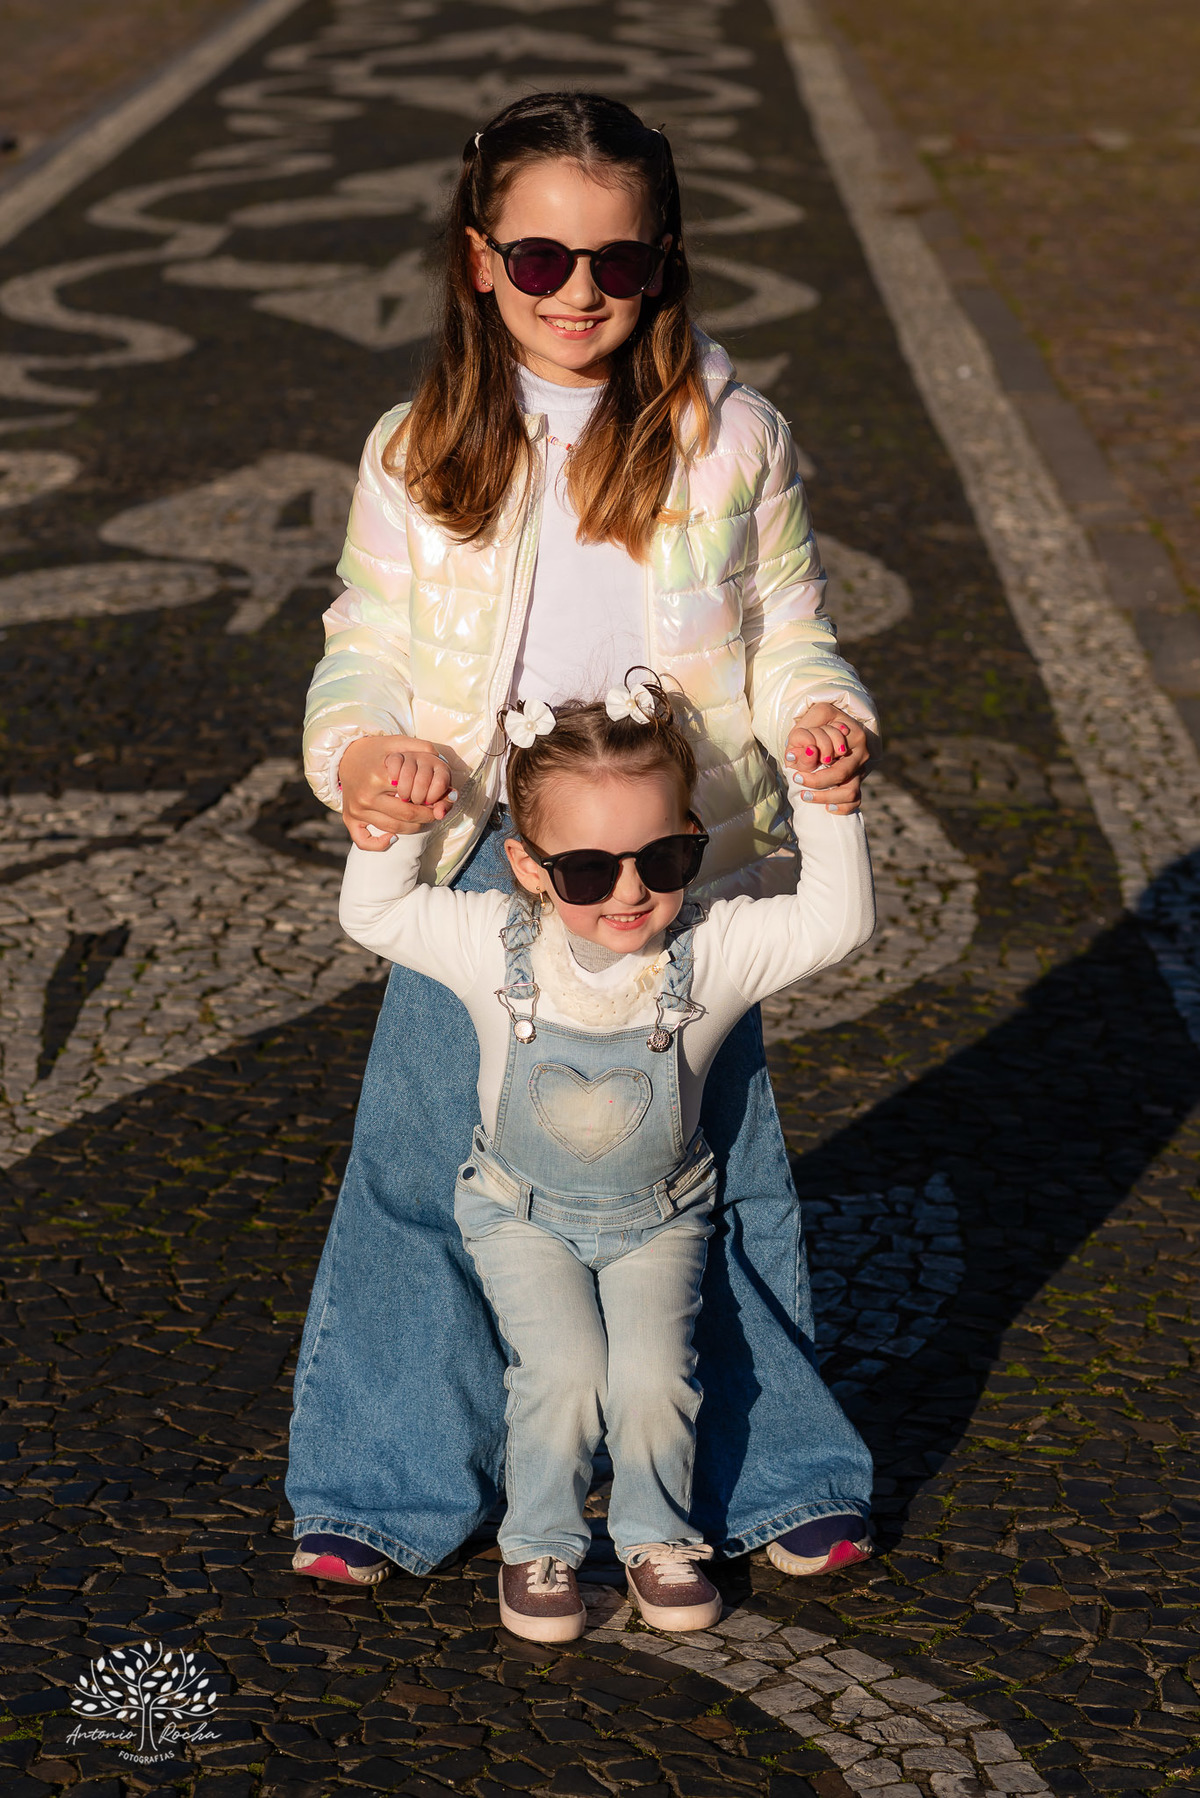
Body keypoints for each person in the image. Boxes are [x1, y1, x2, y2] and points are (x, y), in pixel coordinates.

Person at [287, 89, 879, 1591]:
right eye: (540, 258)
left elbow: (792, 624)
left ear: (663, 263)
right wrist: (366, 749)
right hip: (486, 843)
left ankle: (774, 1470)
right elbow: (364, 639)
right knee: (425, 1158)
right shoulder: (418, 450)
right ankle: (382, 1478)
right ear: (480, 260)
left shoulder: (730, 435)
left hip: (676, 858)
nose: (577, 294)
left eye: (615, 264)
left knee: (720, 1163)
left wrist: (824, 717)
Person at [335, 677, 876, 1642]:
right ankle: (538, 1544)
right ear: (528, 867)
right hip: (519, 1213)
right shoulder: (491, 941)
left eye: (663, 859)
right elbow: (378, 918)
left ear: (694, 843)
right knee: (566, 1370)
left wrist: (829, 808)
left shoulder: (715, 951)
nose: (629, 893)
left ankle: (657, 1536)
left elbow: (836, 925)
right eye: (587, 870)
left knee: (656, 1377)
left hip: (660, 1219)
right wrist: (404, 824)